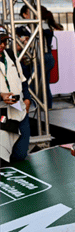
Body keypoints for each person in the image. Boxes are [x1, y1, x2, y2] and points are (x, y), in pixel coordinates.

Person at [0, 27, 32, 165]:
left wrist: (27, 99)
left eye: (5, 42)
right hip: (2, 111)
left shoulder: (10, 54)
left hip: (19, 108)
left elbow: (23, 80)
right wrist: (1, 96)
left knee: (20, 155)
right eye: (0, 42)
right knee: (2, 156)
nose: (2, 45)